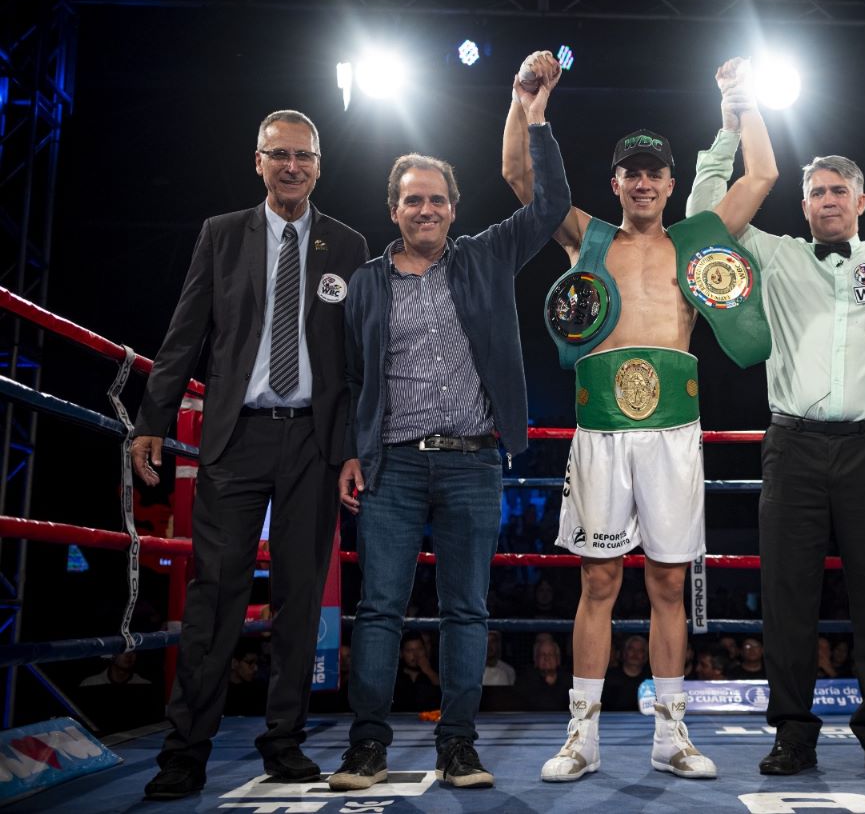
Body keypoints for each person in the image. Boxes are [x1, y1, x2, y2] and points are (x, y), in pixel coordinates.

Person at [503, 54, 776, 783]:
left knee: (666, 586)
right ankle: (582, 736)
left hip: (673, 433)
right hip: (601, 432)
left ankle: (671, 734)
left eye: (655, 173)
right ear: (617, 182)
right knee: (597, 583)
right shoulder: (587, 237)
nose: (645, 182)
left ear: (670, 183)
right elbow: (519, 177)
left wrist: (740, 98)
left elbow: (762, 176)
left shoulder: (697, 240)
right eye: (633, 173)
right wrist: (525, 104)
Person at [328, 56, 571, 792]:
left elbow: (552, 203)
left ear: (454, 209)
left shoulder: (486, 255)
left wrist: (534, 115)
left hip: (472, 461)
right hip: (392, 465)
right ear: (394, 210)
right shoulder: (365, 284)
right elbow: (350, 379)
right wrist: (350, 452)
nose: (425, 209)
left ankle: (458, 747)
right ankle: (366, 748)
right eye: (413, 200)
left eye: (436, 199)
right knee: (379, 610)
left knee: (466, 610)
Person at [687, 62, 865, 780]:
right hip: (794, 445)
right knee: (788, 596)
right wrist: (727, 132)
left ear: (861, 200)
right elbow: (703, 218)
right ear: (804, 203)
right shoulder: (775, 253)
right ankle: (792, 732)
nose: (826, 200)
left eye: (838, 190)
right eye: (816, 191)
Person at [131, 109, 368, 799]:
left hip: (315, 443)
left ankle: (284, 741)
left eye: (304, 156)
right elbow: (184, 334)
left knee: (300, 597)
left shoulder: (347, 244)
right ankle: (185, 751)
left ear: (319, 165)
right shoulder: (222, 234)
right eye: (279, 154)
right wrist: (152, 419)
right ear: (258, 161)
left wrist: (352, 448)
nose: (292, 166)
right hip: (236, 437)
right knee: (214, 594)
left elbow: (357, 359)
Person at [517, 638, 573, 711]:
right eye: (542, 654)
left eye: (551, 654)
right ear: (536, 659)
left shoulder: (568, 680)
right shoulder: (525, 680)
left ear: (558, 659)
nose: (547, 658)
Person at [392, 633, 442, 712]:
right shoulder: (394, 676)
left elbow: (445, 693)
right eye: (409, 651)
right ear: (401, 654)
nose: (416, 655)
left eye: (420, 649)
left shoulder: (437, 669)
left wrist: (428, 671)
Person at [603, 635, 651, 711]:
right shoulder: (608, 677)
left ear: (646, 656)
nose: (635, 653)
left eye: (640, 650)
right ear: (624, 653)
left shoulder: (651, 680)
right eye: (631, 649)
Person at [224, 639, 268, 717]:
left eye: (256, 663)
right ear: (234, 663)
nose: (255, 668)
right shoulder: (220, 694)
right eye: (250, 663)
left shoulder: (260, 691)